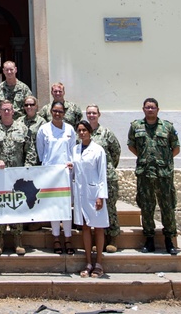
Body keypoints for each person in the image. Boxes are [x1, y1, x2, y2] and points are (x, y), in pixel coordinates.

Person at [0, 99, 38, 256]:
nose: (6, 112)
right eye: (4, 109)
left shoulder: (22, 128)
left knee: (17, 206)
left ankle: (18, 240)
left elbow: (31, 150)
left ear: (13, 111)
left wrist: (27, 168)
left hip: (17, 178)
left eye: (9, 109)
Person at [127, 97, 180, 254]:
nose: (150, 110)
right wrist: (144, 159)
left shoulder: (167, 127)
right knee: (147, 207)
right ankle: (149, 239)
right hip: (145, 174)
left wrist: (164, 161)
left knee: (167, 207)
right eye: (147, 107)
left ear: (158, 109)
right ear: (143, 109)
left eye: (153, 107)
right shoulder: (136, 126)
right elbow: (131, 145)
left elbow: (175, 148)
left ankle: (169, 240)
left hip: (163, 174)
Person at [36, 99, 77, 255]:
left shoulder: (70, 130)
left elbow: (73, 150)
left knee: (65, 206)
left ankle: (67, 238)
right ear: (50, 112)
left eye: (60, 111)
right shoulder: (44, 129)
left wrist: (71, 165)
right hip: (51, 174)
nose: (57, 114)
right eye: (55, 111)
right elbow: (41, 151)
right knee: (54, 206)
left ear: (64, 113)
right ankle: (56, 238)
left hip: (66, 173)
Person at [73, 119, 108, 278]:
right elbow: (75, 169)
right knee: (85, 226)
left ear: (90, 131)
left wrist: (101, 196)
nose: (81, 133)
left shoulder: (98, 150)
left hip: (94, 193)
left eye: (84, 130)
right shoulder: (75, 149)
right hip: (81, 194)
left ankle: (99, 263)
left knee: (98, 226)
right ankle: (88, 262)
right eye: (79, 130)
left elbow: (102, 174)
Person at [86, 104, 122, 252]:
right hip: (91, 178)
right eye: (89, 113)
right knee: (95, 209)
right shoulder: (83, 133)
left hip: (107, 177)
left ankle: (112, 238)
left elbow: (116, 152)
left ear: (99, 114)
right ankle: (98, 240)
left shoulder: (106, 133)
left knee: (110, 207)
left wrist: (107, 168)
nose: (91, 115)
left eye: (94, 113)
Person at [21, 94, 45, 165]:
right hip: (21, 159)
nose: (29, 107)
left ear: (36, 106)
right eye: (26, 105)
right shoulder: (19, 122)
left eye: (31, 104)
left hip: (37, 160)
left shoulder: (42, 122)